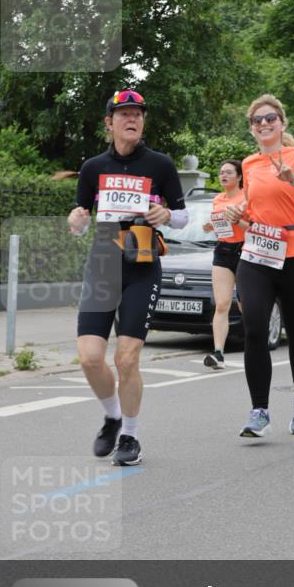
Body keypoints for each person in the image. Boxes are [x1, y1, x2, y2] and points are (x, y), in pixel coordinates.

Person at [67, 89, 187, 465]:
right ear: (110, 122)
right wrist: (75, 221)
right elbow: (80, 215)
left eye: (137, 114)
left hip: (142, 266)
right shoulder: (92, 168)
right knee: (89, 358)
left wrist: (167, 216)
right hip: (103, 265)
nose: (131, 119)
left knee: (127, 357)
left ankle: (131, 437)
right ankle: (113, 416)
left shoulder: (160, 165)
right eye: (123, 114)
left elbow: (183, 215)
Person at [224, 95, 294, 438]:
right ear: (252, 129)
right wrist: (239, 215)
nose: (264, 124)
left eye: (270, 118)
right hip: (257, 256)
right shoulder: (250, 164)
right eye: (257, 121)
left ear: (282, 124)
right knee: (254, 327)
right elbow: (254, 209)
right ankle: (259, 411)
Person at [202, 160, 248, 369]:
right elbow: (221, 226)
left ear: (239, 176)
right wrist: (211, 226)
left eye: (229, 172)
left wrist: (238, 220)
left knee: (246, 304)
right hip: (223, 250)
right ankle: (218, 353)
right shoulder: (217, 199)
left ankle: (256, 345)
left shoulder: (247, 196)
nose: (223, 176)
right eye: (221, 173)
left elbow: (256, 228)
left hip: (245, 250)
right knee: (221, 304)